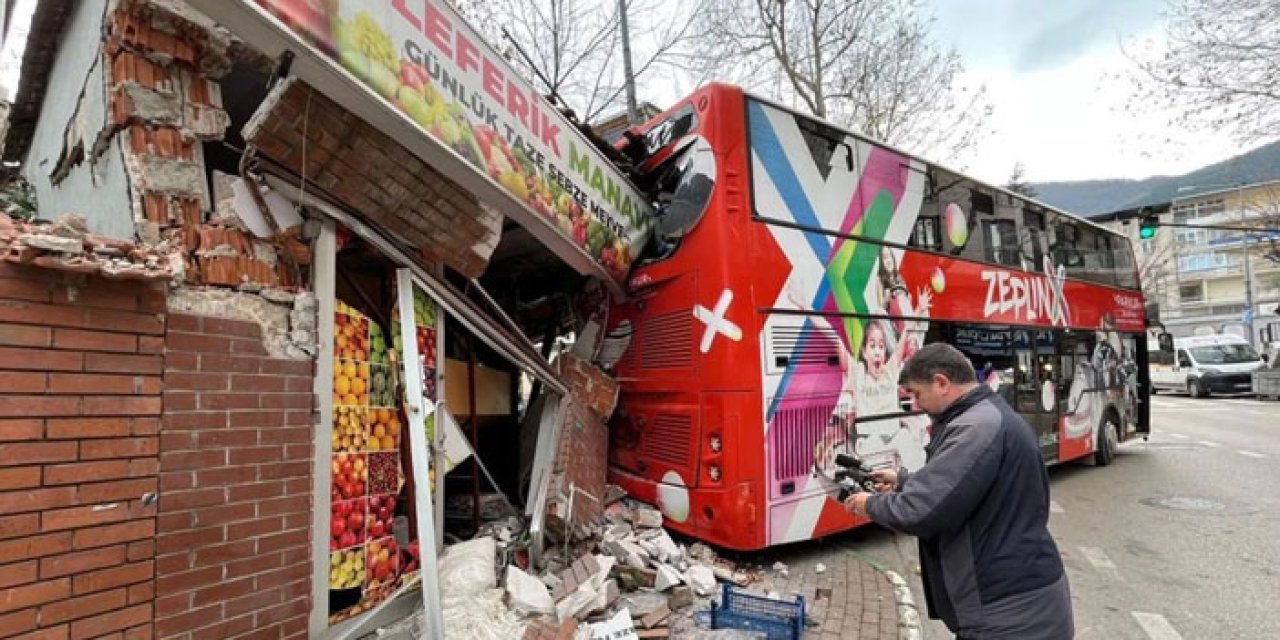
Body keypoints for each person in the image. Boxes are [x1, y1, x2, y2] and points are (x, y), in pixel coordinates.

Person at [843, 343, 1073, 640]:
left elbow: (921, 511)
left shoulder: (975, 427)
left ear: (941, 383)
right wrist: (904, 482)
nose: (916, 404)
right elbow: (965, 485)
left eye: (917, 393)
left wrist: (869, 504)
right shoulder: (986, 416)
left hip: (1008, 614)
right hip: (1021, 601)